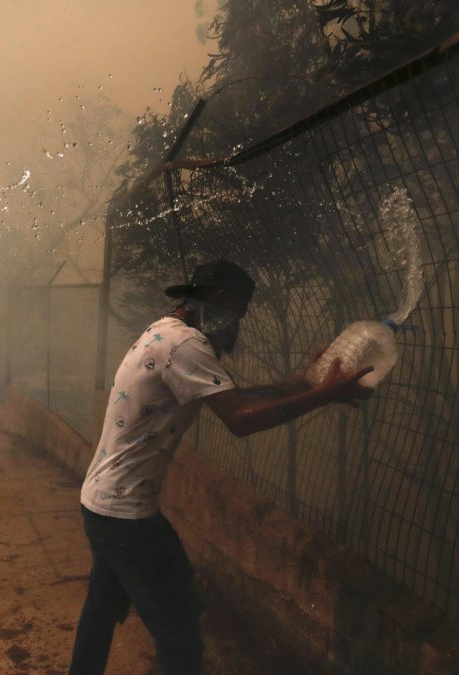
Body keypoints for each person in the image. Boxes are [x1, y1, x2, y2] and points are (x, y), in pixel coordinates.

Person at [69, 260, 373, 675]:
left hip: (100, 504)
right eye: (240, 314)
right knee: (179, 631)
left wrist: (306, 382)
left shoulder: (165, 331)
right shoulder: (186, 345)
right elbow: (240, 417)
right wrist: (322, 396)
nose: (237, 327)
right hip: (126, 517)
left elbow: (232, 396)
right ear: (220, 301)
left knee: (102, 610)